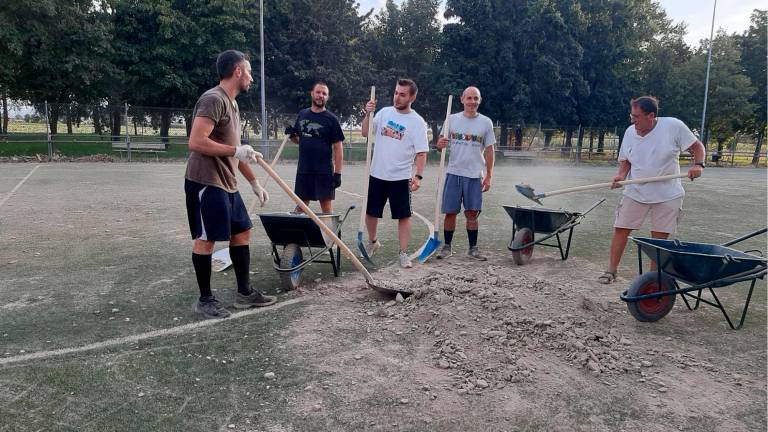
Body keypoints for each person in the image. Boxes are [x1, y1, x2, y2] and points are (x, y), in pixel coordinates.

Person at [185, 50, 276, 318]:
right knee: (206, 240)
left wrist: (254, 182)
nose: (250, 77)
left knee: (242, 233)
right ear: (237, 71)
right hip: (206, 182)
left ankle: (244, 293)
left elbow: (233, 150)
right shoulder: (213, 99)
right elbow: (196, 141)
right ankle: (205, 299)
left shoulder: (232, 104)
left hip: (228, 184)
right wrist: (236, 151)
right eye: (248, 71)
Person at [598, 95, 706, 284]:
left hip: (667, 194)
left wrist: (698, 165)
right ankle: (611, 271)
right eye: (632, 116)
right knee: (621, 228)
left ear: (651, 115)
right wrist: (621, 176)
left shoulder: (673, 126)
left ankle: (651, 280)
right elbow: (626, 160)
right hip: (635, 190)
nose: (633, 121)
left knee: (658, 238)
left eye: (637, 117)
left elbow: (697, 147)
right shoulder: (630, 132)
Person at [361, 78, 429, 268]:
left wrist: (418, 176)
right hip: (377, 174)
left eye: (402, 94)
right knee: (371, 212)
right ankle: (373, 242)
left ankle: (403, 253)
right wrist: (368, 114)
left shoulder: (417, 122)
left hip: (400, 177)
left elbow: (421, 152)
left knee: (403, 215)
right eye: (396, 93)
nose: (397, 98)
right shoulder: (383, 113)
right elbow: (366, 133)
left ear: (412, 97)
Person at [435, 86, 495, 261]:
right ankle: (447, 247)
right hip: (454, 173)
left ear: (480, 100)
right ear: (462, 99)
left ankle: (473, 248)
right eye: (469, 98)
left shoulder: (486, 122)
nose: (472, 102)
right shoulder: (451, 120)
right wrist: (440, 144)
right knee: (450, 212)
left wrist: (489, 176)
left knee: (472, 213)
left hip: (474, 174)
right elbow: (439, 146)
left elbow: (490, 151)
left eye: (475, 98)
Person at [288, 81, 345, 213]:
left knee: (326, 209)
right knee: (301, 206)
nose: (321, 96)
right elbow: (299, 140)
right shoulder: (302, 115)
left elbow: (338, 148)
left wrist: (337, 174)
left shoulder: (332, 119)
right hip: (304, 170)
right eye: (318, 92)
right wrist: (292, 136)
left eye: (324, 93)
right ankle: (297, 233)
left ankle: (332, 234)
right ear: (312, 94)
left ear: (327, 97)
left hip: (323, 171)